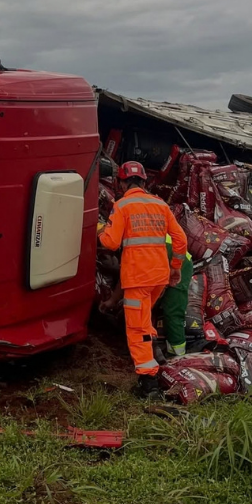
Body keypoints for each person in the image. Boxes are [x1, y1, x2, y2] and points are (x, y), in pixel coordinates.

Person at [97, 161, 187, 397]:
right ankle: (154, 358)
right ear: (144, 182)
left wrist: (100, 230)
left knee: (137, 329)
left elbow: (110, 243)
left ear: (121, 183)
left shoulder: (122, 206)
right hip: (159, 277)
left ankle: (149, 384)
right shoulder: (160, 204)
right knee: (145, 320)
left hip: (138, 278)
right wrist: (175, 268)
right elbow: (181, 240)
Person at [157, 234, 194, 360]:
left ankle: (178, 355)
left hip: (181, 264)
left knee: (173, 310)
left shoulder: (131, 242)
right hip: (167, 260)